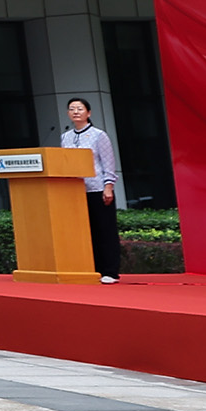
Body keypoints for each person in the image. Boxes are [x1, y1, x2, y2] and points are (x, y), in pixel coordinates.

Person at [60, 97, 124, 282]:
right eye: (72, 109)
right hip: (76, 192)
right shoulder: (65, 137)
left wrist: (108, 186)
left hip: (97, 189)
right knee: (86, 232)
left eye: (80, 108)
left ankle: (110, 271)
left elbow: (108, 163)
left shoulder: (99, 135)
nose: (76, 112)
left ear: (89, 113)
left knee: (105, 230)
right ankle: (92, 268)